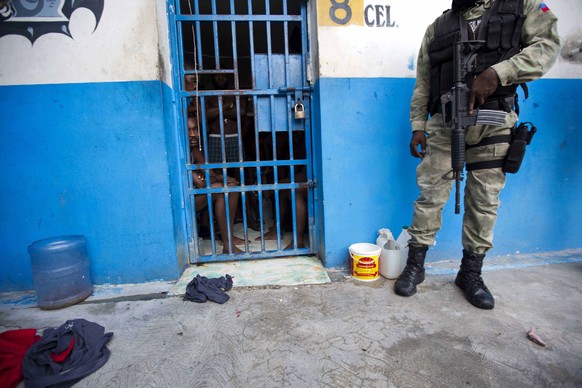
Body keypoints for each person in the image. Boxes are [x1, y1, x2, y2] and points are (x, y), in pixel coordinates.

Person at [395, 0, 560, 309]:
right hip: (445, 123)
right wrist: (418, 124)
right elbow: (424, 81)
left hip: (494, 123)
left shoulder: (523, 7)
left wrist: (499, 73)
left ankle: (470, 273)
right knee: (430, 195)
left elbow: (547, 46)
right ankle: (415, 266)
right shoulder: (438, 26)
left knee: (484, 202)